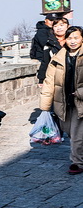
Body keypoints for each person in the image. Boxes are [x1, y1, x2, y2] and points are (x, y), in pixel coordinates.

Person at [39, 25, 83, 174]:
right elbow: (49, 82)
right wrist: (44, 107)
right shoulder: (58, 58)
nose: (73, 41)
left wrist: (80, 93)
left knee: (77, 134)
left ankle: (77, 162)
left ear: (82, 38)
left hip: (80, 101)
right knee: (69, 131)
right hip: (63, 101)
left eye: (76, 37)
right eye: (70, 38)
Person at [31, 13, 66, 85]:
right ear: (45, 20)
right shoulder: (42, 32)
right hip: (43, 59)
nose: (52, 22)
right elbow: (47, 48)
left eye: (54, 21)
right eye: (50, 20)